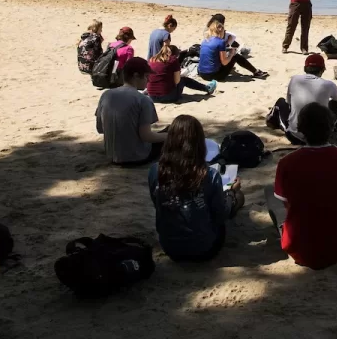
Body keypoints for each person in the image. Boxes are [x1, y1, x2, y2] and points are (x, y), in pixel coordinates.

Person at [267, 103, 337, 269]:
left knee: (270, 192)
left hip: (298, 247)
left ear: (301, 130)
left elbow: (288, 206)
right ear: (331, 126)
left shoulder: (287, 163)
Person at [148, 115, 245, 262]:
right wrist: (231, 193)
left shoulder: (155, 171)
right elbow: (220, 214)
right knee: (239, 197)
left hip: (170, 248)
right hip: (205, 248)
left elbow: (158, 204)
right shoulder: (209, 174)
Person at [95, 57, 168, 165]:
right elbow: (146, 136)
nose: (149, 80)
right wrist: (171, 136)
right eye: (147, 76)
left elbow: (100, 129)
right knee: (174, 130)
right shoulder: (143, 100)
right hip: (137, 157)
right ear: (136, 76)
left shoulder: (106, 95)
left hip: (111, 155)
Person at [271, 54, 337, 144]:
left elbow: (289, 102)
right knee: (336, 103)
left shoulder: (295, 79)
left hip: (295, 136)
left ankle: (271, 119)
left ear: (305, 68)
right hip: (322, 137)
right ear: (322, 70)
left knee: (281, 102)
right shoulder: (328, 84)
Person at [198, 20, 268, 81]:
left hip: (201, 73)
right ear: (222, 31)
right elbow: (225, 62)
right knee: (236, 56)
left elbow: (215, 50)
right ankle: (256, 72)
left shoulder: (205, 40)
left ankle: (256, 72)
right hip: (214, 76)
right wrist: (231, 54)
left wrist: (228, 46)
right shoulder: (220, 42)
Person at [147, 43, 217, 103]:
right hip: (168, 97)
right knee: (183, 80)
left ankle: (206, 88)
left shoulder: (152, 60)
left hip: (152, 97)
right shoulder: (173, 60)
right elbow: (177, 81)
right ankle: (207, 88)